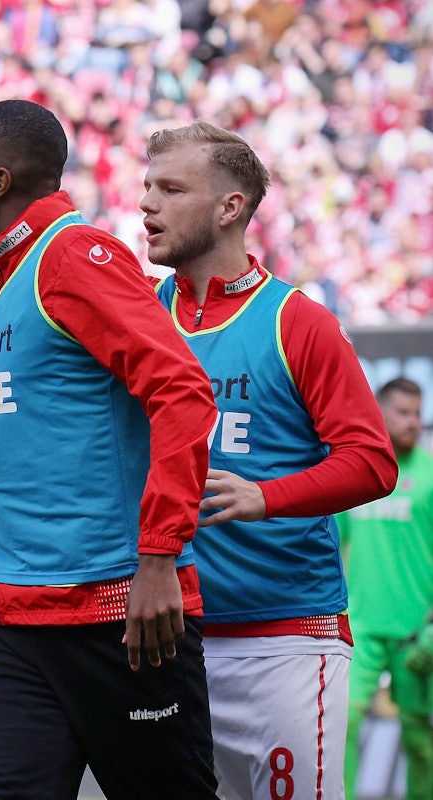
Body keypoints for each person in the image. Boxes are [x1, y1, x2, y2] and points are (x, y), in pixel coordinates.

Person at [0, 98, 220, 799]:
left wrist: (157, 557)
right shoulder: (9, 283)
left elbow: (182, 391)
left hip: (116, 611)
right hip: (7, 614)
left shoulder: (71, 254)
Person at [141, 120, 398, 799]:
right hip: (171, 645)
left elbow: (372, 463)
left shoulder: (297, 321)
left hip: (283, 641)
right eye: (145, 188)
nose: (146, 205)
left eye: (169, 189)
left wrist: (265, 496)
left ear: (229, 208)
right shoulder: (138, 316)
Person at [340, 377, 433, 800]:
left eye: (418, 413)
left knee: (421, 742)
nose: (414, 422)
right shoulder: (358, 470)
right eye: (404, 412)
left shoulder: (430, 475)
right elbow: (333, 545)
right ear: (379, 412)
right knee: (343, 726)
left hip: (418, 632)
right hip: (360, 626)